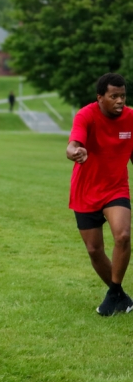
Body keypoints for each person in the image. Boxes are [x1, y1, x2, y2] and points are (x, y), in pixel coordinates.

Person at [67, 73, 133, 316]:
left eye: (123, 96)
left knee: (123, 235)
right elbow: (73, 143)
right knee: (94, 250)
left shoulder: (131, 118)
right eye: (113, 96)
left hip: (116, 188)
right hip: (85, 191)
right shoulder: (86, 114)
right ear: (100, 98)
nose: (120, 101)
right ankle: (120, 297)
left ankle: (114, 291)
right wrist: (75, 151)